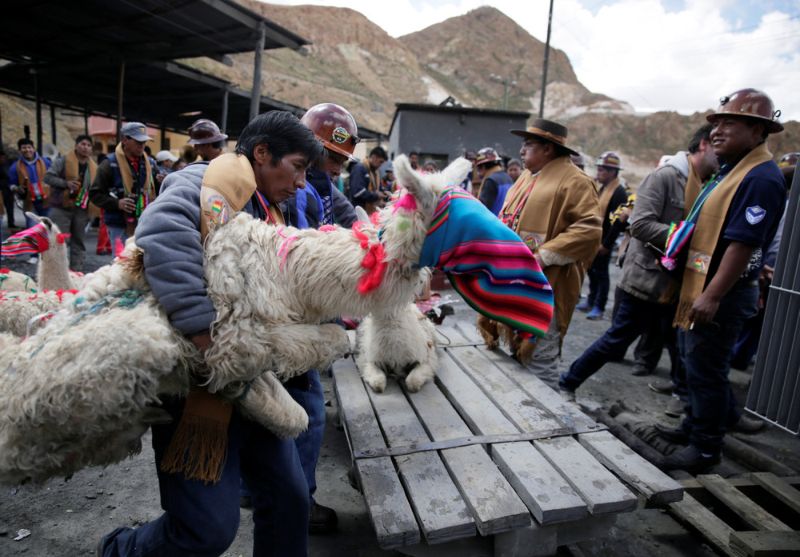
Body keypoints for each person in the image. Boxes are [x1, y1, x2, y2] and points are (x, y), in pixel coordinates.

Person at [97, 110, 323, 557]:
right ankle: (118, 551)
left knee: (290, 499)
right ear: (262, 154)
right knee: (206, 531)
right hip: (198, 385)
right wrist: (206, 336)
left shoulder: (272, 210)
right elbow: (160, 234)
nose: (301, 183)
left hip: (252, 383)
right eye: (297, 167)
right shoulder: (203, 183)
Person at [658, 89, 786, 473]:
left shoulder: (761, 177)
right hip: (704, 288)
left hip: (721, 295)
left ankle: (706, 449)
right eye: (716, 123)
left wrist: (711, 296)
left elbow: (742, 244)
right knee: (695, 366)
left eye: (730, 123)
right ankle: (693, 425)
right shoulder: (734, 170)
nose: (718, 130)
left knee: (707, 372)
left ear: (758, 130)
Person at [559, 125, 718, 401]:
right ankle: (568, 381)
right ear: (704, 144)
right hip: (647, 280)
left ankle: (686, 401)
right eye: (717, 145)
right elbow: (641, 225)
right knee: (617, 339)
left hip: (677, 284)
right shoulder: (665, 178)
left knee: (679, 345)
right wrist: (685, 235)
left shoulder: (705, 183)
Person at [273, 103, 359, 535]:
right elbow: (308, 261)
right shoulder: (301, 191)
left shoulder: (322, 186)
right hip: (293, 314)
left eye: (342, 161)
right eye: (332, 158)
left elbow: (349, 216)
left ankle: (262, 489)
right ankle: (298, 504)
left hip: (295, 310)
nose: (337, 168)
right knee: (309, 412)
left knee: (279, 405)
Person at [489, 118, 601, 384]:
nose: (521, 150)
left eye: (528, 144)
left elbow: (590, 230)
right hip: (516, 280)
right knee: (516, 353)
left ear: (548, 148)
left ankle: (547, 421)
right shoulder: (526, 177)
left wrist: (542, 256)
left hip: (548, 284)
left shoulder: (577, 181)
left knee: (540, 358)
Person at [284, 103, 359, 230]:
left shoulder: (321, 183)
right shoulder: (293, 190)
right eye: (334, 160)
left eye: (342, 163)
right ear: (309, 149)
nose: (338, 171)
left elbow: (345, 210)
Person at [576, 152, 628, 320]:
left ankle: (599, 305)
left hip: (604, 241)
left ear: (613, 172)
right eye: (598, 169)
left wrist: (606, 244)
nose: (598, 173)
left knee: (602, 273)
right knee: (592, 271)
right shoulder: (603, 188)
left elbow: (617, 223)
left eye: (602, 170)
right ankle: (591, 300)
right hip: (595, 240)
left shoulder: (618, 192)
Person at [89, 122, 158, 248]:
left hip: (145, 223)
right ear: (124, 140)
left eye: (144, 142)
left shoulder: (151, 164)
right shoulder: (108, 164)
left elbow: (157, 191)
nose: (142, 145)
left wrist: (161, 181)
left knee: (143, 262)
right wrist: (117, 203)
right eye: (138, 141)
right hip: (118, 224)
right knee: (123, 262)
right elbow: (95, 194)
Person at [43, 134, 97, 271]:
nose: (85, 148)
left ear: (91, 149)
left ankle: (76, 272)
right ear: (76, 146)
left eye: (88, 145)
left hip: (82, 208)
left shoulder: (94, 167)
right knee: (59, 241)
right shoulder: (63, 160)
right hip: (61, 207)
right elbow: (48, 177)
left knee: (79, 242)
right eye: (83, 144)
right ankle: (55, 271)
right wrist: (66, 183)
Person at [9, 138, 52, 227]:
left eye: (29, 147)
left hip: (46, 201)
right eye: (24, 148)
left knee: (48, 229)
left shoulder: (46, 162)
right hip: (29, 203)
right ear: (19, 150)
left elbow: (54, 177)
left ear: (34, 148)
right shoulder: (15, 167)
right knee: (33, 230)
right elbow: (11, 184)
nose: (27, 150)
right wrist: (17, 188)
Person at [475, 147, 514, 215]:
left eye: (478, 167)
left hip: (492, 222)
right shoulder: (508, 178)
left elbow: (482, 209)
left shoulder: (490, 181)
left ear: (483, 166)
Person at [348, 145, 387, 214]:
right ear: (374, 157)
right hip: (357, 212)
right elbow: (357, 192)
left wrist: (384, 193)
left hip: (369, 212)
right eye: (380, 161)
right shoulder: (359, 168)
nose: (381, 165)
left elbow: (378, 189)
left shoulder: (375, 172)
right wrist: (376, 195)